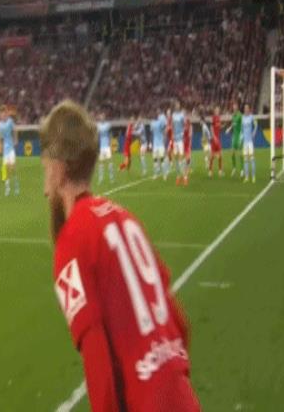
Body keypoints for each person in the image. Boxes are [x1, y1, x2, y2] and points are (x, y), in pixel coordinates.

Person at [40, 100, 200, 412]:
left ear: (59, 169)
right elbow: (179, 324)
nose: (45, 187)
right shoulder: (125, 218)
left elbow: (98, 361)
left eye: (45, 166)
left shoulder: (72, 240)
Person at [0, 105, 19, 196]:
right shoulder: (0, 125)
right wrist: (0, 146)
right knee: (6, 169)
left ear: (6, 114)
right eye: (1, 114)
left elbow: (15, 130)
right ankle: (7, 188)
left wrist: (16, 139)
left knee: (12, 168)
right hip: (5, 149)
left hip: (11, 148)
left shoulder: (10, 121)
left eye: (4, 113)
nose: (3, 115)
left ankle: (16, 185)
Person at [226, 102, 244, 178]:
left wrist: (229, 129)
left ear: (237, 107)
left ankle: (242, 170)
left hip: (239, 136)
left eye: (235, 107)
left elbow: (239, 125)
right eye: (233, 107)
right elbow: (233, 124)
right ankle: (234, 168)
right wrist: (229, 129)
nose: (234, 108)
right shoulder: (233, 115)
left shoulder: (240, 115)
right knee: (232, 152)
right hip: (234, 136)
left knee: (240, 153)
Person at [172, 101, 188, 186]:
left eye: (178, 105)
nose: (177, 106)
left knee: (182, 158)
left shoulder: (182, 115)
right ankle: (178, 176)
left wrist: (182, 133)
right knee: (176, 158)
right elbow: (172, 126)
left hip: (180, 139)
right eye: (176, 105)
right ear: (174, 106)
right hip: (175, 139)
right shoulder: (173, 115)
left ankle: (185, 177)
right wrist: (173, 135)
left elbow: (185, 125)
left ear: (179, 106)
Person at [242, 104, 258, 183]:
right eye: (245, 108)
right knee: (245, 160)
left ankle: (253, 176)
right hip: (245, 142)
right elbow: (242, 129)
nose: (246, 109)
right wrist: (241, 138)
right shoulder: (242, 118)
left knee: (252, 159)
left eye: (247, 108)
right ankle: (246, 177)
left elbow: (256, 124)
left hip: (250, 142)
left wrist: (254, 131)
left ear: (249, 109)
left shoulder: (251, 117)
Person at [151, 108, 168, 180]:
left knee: (162, 160)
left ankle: (164, 174)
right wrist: (151, 143)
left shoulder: (160, 122)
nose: (156, 114)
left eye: (158, 113)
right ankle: (155, 174)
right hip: (155, 144)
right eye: (156, 113)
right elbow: (152, 133)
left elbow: (165, 129)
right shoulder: (152, 123)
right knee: (155, 160)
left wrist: (164, 139)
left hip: (160, 143)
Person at [97, 113, 114, 185]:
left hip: (107, 146)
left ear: (104, 118)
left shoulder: (107, 125)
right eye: (101, 117)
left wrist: (110, 142)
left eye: (103, 117)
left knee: (109, 162)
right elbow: (97, 135)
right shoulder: (98, 125)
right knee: (101, 164)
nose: (102, 118)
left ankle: (112, 178)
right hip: (101, 147)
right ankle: (100, 179)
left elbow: (110, 134)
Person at [209, 106, 224, 177]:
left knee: (220, 155)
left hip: (218, 139)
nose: (217, 111)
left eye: (218, 110)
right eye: (216, 110)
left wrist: (222, 126)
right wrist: (214, 136)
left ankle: (220, 171)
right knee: (212, 156)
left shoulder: (219, 118)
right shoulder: (213, 118)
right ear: (214, 111)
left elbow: (219, 126)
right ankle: (210, 171)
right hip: (214, 139)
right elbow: (211, 127)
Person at [183, 111, 193, 176]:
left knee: (188, 157)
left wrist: (190, 142)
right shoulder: (182, 124)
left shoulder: (190, 125)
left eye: (186, 116)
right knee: (185, 157)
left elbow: (190, 134)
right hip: (183, 142)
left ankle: (187, 169)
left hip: (188, 142)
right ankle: (186, 169)